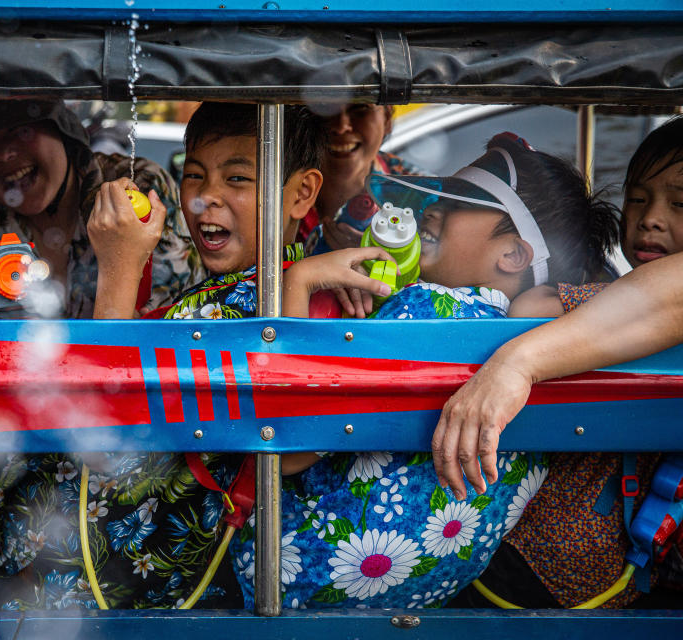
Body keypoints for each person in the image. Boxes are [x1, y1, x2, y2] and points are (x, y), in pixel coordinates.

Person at [0, 102, 358, 611]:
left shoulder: (248, 312)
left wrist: (118, 266)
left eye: (239, 179)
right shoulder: (243, 294)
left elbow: (105, 418)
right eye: (195, 176)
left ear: (302, 193)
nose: (206, 198)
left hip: (99, 584)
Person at [233, 132, 620, 610]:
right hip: (417, 600)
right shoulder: (554, 348)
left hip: (281, 570)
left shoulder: (418, 309)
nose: (434, 209)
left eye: (462, 203)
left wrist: (303, 277)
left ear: (514, 255)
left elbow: (287, 448)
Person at [439, 116, 683, 608]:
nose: (651, 218)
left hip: (558, 562)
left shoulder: (608, 295)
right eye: (636, 199)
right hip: (589, 566)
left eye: (680, 204)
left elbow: (536, 308)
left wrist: (518, 362)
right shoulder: (620, 290)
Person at [0, 99, 204, 321]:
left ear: (61, 130)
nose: (4, 154)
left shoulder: (134, 188)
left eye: (20, 130)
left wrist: (119, 260)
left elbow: (169, 324)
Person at [301, 104, 419, 255]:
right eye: (325, 109)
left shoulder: (422, 194)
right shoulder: (274, 187)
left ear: (387, 120)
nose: (341, 127)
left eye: (360, 109)